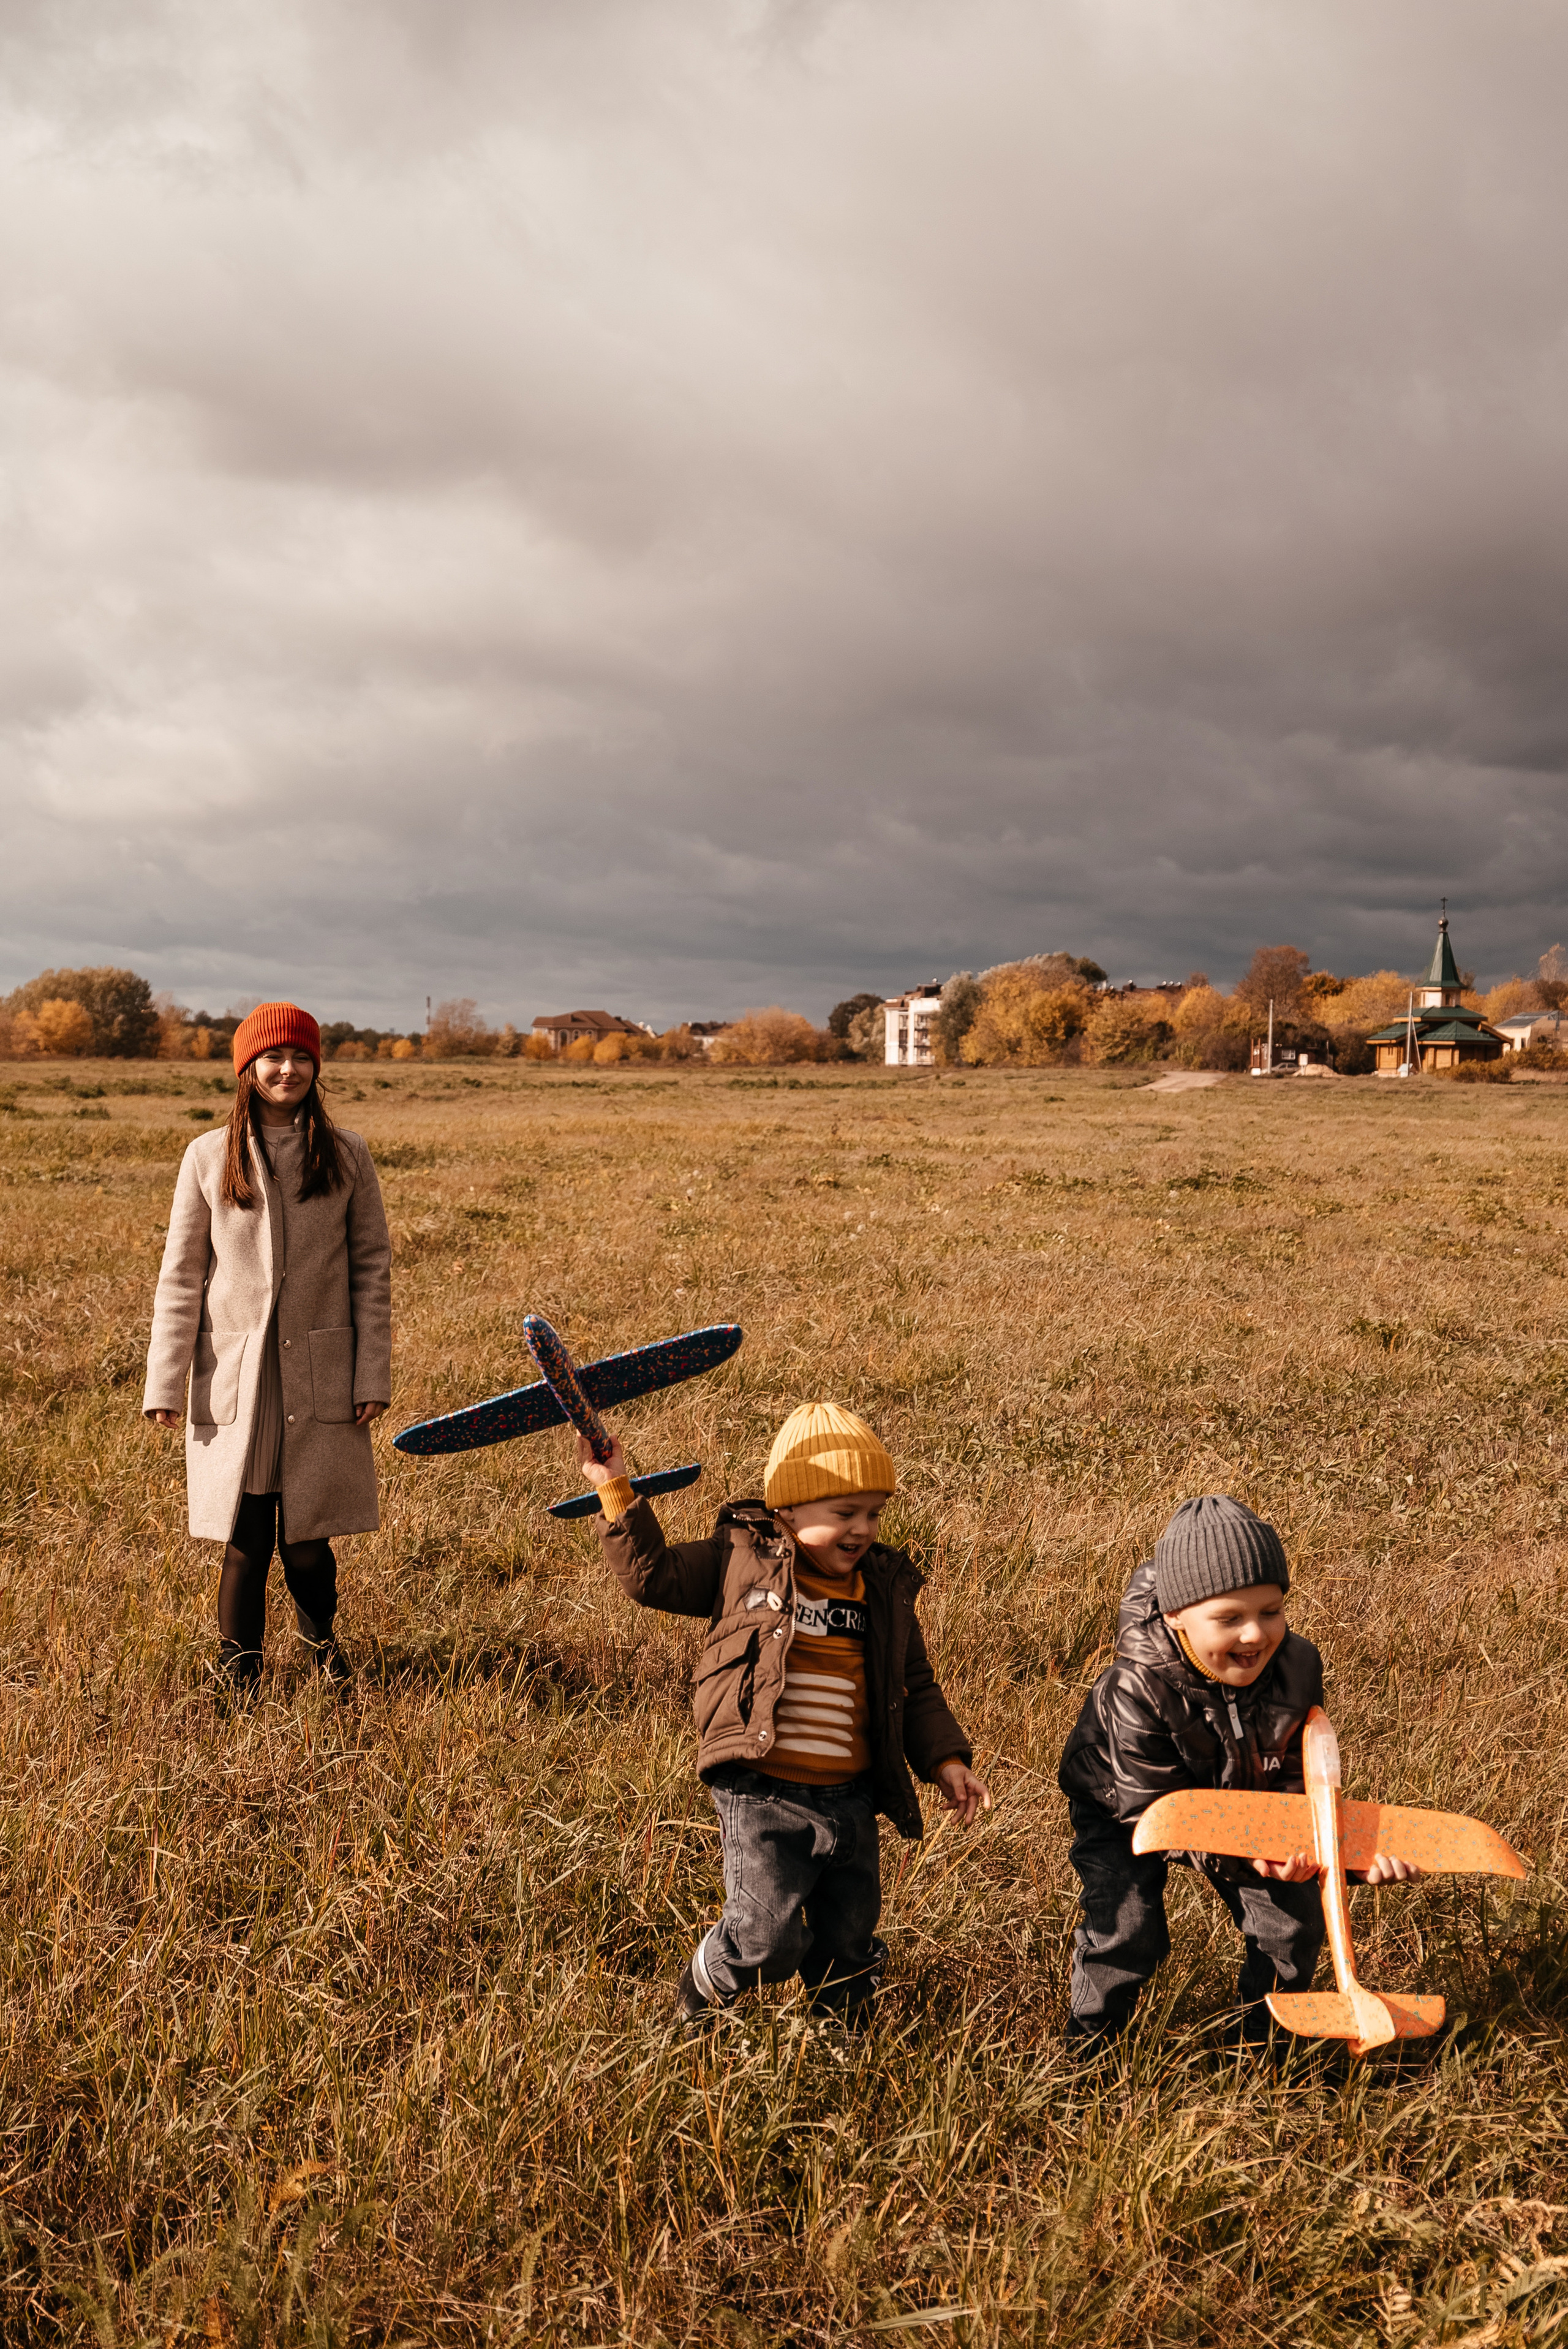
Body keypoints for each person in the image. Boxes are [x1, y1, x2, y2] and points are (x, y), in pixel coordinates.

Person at [576, 1400, 990, 2029]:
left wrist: (946, 1760)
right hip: (763, 1792)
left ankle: (843, 2037)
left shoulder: (880, 1588)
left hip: (850, 1798)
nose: (862, 1530)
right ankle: (708, 1980)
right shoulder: (738, 1562)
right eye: (843, 1513)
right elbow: (651, 1578)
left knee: (847, 1937)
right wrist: (615, 1491)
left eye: (873, 1513)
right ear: (787, 1511)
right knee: (765, 1934)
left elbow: (914, 1685)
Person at [1058, 1493, 1420, 2051]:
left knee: (1292, 1923)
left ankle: (1263, 2051)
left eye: (1270, 1611)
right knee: (1128, 1931)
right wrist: (1246, 1851)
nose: (1255, 1635)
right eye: (1229, 1618)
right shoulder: (1135, 1686)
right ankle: (1089, 2048)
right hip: (1129, 1808)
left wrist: (1346, 1860)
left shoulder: (1297, 1665)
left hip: (1247, 1801)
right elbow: (1156, 1811)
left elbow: (1298, 1782)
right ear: (1176, 1616)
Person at [143, 1002, 392, 1696]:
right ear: (246, 1069)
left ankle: (322, 1644)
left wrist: (370, 1370)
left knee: (308, 1542)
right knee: (246, 1538)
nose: (287, 1070)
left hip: (320, 1373)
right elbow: (182, 1275)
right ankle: (238, 1672)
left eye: (301, 1058)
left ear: (317, 1068)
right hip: (239, 1378)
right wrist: (165, 1383)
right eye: (273, 1058)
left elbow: (372, 1270)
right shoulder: (206, 1157)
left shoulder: (347, 1155)